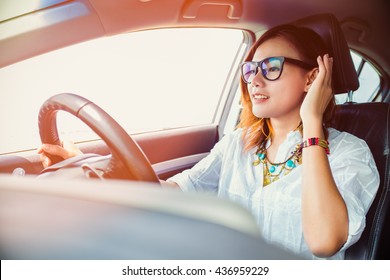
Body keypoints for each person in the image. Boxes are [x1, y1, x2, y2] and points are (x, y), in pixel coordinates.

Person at [38, 25, 379, 259]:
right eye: (250, 70)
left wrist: (313, 123)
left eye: (271, 67)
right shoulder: (238, 144)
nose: (255, 79)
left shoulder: (350, 153)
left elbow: (323, 241)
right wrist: (93, 169)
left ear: (312, 77)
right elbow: (173, 193)